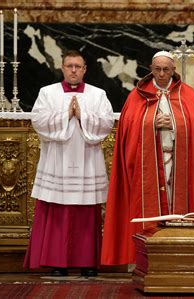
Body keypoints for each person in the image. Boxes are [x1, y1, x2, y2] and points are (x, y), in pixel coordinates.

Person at [101, 51, 194, 266]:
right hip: (147, 167)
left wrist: (174, 124)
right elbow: (128, 128)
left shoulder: (187, 94)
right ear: (151, 69)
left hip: (179, 165)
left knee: (178, 208)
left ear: (174, 70)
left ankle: (181, 259)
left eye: (166, 70)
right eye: (157, 69)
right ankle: (144, 262)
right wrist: (151, 123)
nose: (161, 74)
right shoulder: (137, 95)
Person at [24, 50, 114, 277]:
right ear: (62, 68)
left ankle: (88, 262)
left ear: (84, 69)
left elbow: (106, 123)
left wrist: (83, 115)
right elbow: (38, 121)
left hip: (87, 161)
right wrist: (66, 114)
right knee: (57, 211)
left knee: (86, 212)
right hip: (57, 162)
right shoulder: (47, 93)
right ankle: (58, 263)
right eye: (69, 66)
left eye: (78, 66)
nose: (73, 70)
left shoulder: (98, 94)